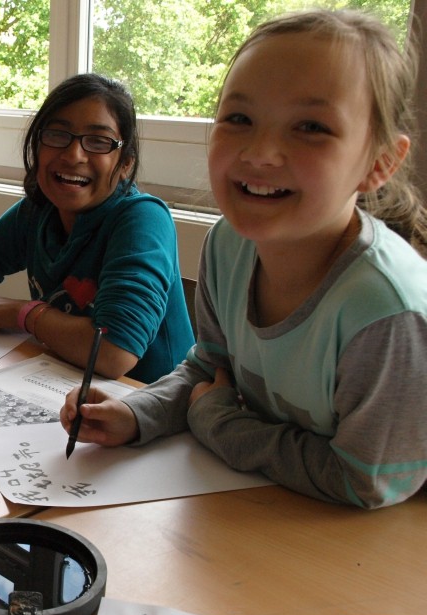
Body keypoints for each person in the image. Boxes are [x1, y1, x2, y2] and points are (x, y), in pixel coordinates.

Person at [61, 9, 427, 508]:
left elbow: (364, 480)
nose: (261, 151)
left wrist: (218, 423)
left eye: (311, 126)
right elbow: (207, 371)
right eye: (239, 119)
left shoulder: (385, 309)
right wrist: (138, 413)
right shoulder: (228, 244)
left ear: (379, 163)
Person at [0, 73, 194, 383]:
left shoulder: (142, 219)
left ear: (125, 164)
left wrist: (23, 314)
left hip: (151, 406)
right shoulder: (38, 211)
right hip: (66, 386)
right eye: (57, 135)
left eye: (98, 141)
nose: (73, 155)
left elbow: (113, 352)